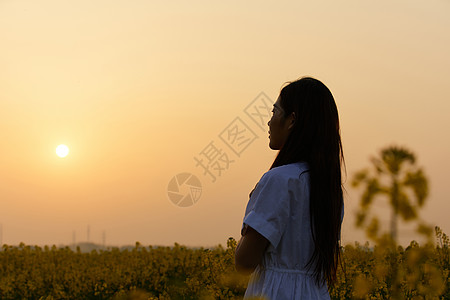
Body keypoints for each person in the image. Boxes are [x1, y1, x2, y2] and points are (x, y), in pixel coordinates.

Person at [234, 77, 344, 299]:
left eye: (275, 112)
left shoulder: (279, 180)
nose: (269, 121)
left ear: (292, 120)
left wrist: (254, 207)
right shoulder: (330, 189)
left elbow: (244, 262)